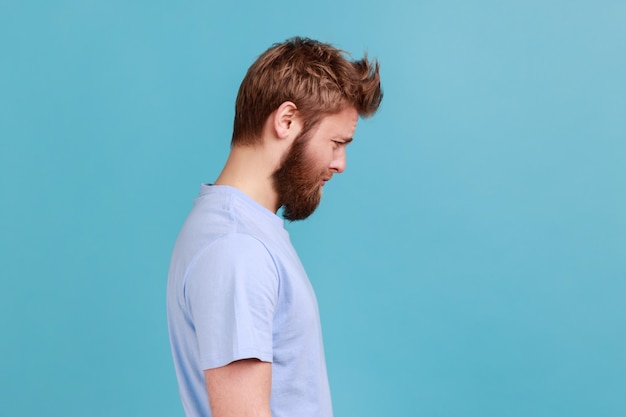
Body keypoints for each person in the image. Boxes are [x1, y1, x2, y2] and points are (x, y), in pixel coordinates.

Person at [166, 36, 383, 417]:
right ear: (286, 121)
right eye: (336, 142)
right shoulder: (236, 248)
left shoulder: (242, 232)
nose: (340, 163)